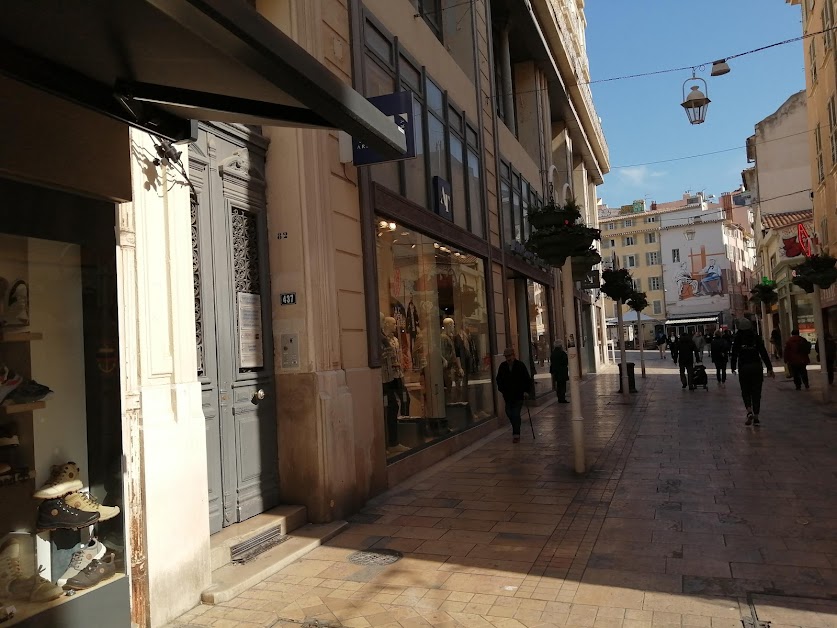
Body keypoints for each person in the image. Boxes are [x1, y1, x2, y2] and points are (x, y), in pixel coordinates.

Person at [731, 324, 774, 426]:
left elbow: (734, 354)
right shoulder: (755, 337)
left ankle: (749, 411)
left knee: (745, 391)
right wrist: (769, 367)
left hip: (744, 368)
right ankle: (756, 415)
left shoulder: (738, 338)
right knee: (756, 391)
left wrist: (733, 367)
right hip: (756, 367)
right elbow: (763, 352)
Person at [496, 347, 532, 443]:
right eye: (506, 356)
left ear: (513, 355)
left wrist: (526, 391)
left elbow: (527, 379)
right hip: (508, 395)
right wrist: (502, 389)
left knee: (515, 414)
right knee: (509, 412)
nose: (508, 358)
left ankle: (516, 434)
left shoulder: (520, 365)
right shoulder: (503, 366)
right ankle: (516, 426)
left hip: (518, 395)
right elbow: (498, 379)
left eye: (509, 356)